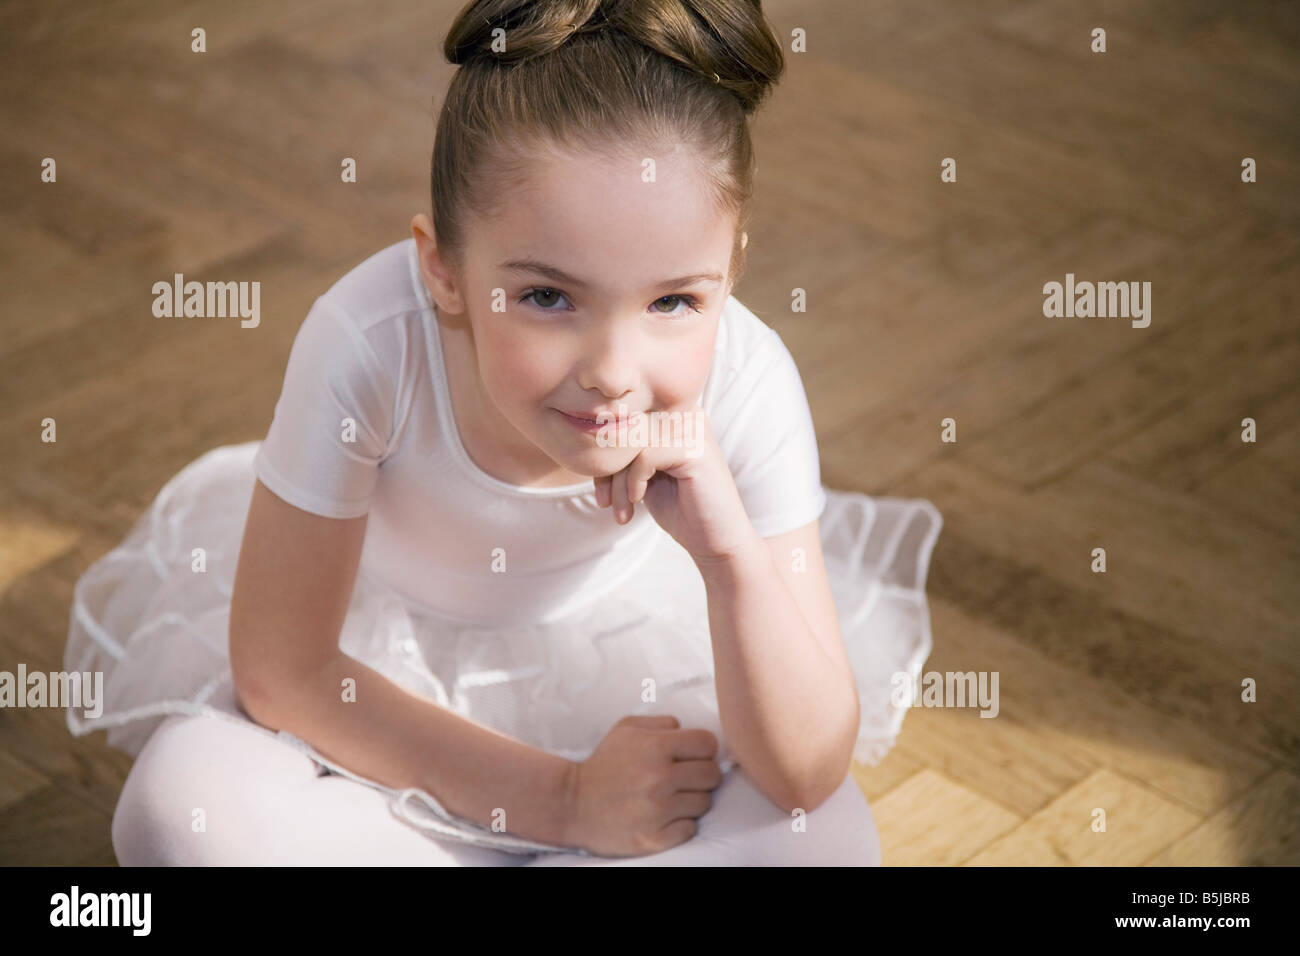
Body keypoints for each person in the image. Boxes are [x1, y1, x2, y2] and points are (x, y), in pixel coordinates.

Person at [64, 0, 942, 866]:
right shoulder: (366, 347)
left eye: (674, 300)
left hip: (633, 693)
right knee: (180, 814)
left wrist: (728, 559)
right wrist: (561, 803)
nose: (612, 369)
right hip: (380, 702)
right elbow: (286, 674)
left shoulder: (750, 381)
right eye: (548, 297)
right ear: (441, 267)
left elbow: (803, 771)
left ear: (732, 267)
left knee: (823, 842)